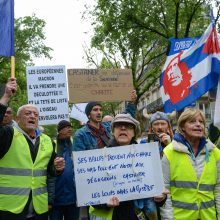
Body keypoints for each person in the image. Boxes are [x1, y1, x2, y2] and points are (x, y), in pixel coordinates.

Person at [0, 78, 65, 220]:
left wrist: (58, 168)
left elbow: (50, 171)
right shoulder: (7, 134)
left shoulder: (47, 140)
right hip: (9, 210)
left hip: (39, 209)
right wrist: (5, 97)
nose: (32, 116)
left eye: (36, 115)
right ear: (17, 119)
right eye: (28, 113)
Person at [89, 113, 167, 220]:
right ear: (113, 131)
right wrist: (104, 203)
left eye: (128, 126)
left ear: (134, 132)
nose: (123, 128)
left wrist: (161, 198)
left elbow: (157, 193)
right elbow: (91, 195)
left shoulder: (147, 156)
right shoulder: (99, 157)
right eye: (118, 125)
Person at [160, 108, 220, 220]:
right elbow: (165, 191)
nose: (198, 125)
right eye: (192, 121)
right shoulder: (169, 152)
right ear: (182, 126)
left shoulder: (215, 152)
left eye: (201, 122)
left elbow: (218, 188)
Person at [73, 90, 137, 152]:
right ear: (88, 115)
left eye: (100, 110)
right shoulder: (80, 135)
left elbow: (125, 117)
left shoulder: (108, 126)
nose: (99, 112)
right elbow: (79, 159)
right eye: (95, 110)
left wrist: (131, 102)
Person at [50, 120, 79, 220]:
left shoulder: (75, 142)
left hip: (74, 197)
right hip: (57, 198)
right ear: (60, 130)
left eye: (70, 127)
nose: (70, 129)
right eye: (67, 127)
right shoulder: (52, 144)